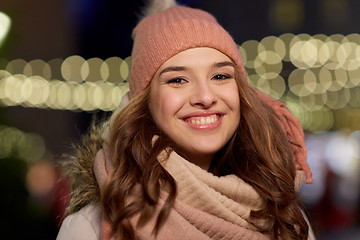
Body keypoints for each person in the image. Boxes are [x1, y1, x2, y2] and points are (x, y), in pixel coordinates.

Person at [57, 0, 315, 239]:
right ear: (143, 102)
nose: (205, 96)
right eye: (177, 80)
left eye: (220, 76)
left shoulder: (284, 215)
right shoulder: (91, 226)